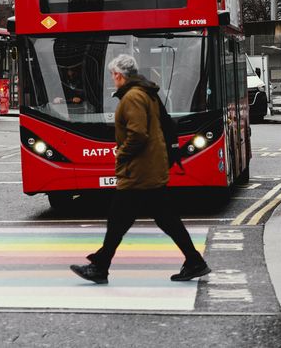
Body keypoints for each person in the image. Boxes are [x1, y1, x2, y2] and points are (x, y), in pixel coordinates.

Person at [70, 54, 210, 285]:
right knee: (164, 220)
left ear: (119, 75)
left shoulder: (133, 97)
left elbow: (137, 133)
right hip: (150, 168)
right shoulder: (146, 93)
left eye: (113, 75)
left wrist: (121, 154)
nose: (113, 80)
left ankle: (100, 267)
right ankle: (194, 261)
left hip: (139, 171)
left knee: (118, 220)